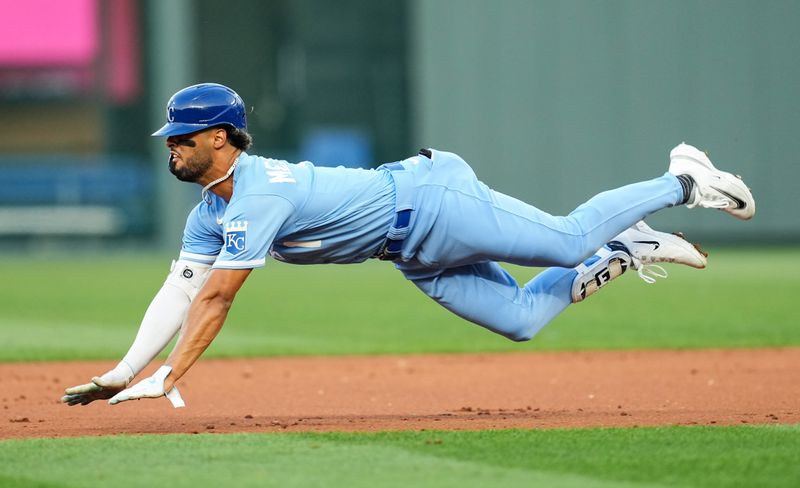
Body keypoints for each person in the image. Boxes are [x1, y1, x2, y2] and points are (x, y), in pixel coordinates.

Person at [62, 83, 754, 407]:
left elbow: (216, 297)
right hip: (408, 250)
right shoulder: (209, 210)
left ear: (219, 138)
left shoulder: (259, 194)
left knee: (570, 241)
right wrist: (126, 371)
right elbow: (181, 287)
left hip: (430, 203)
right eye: (171, 138)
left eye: (183, 136)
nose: (172, 147)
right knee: (520, 320)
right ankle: (626, 250)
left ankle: (680, 179)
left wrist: (174, 372)